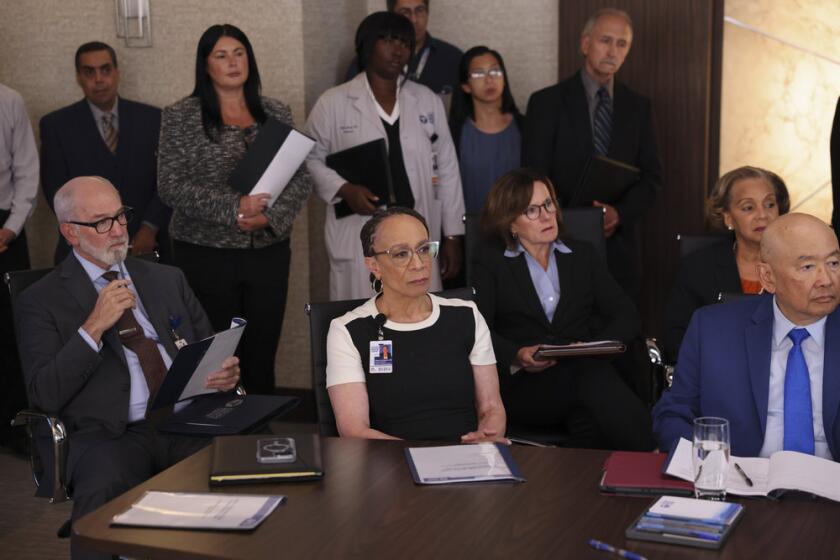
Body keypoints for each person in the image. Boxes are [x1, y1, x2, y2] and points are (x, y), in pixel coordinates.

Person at [17, 177, 241, 559]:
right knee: (103, 491)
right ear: (70, 232)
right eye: (102, 222)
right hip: (109, 433)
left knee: (249, 464)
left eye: (121, 216)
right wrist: (94, 326)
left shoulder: (166, 279)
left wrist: (224, 374)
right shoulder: (41, 300)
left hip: (184, 419)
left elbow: (208, 350)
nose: (120, 230)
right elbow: (45, 393)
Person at [158, 24, 312, 395]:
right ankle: (220, 437)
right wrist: (234, 208)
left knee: (261, 350)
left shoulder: (275, 112)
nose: (232, 62)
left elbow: (300, 178)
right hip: (207, 254)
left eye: (239, 53)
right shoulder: (182, 116)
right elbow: (169, 186)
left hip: (268, 252)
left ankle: (259, 432)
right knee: (217, 354)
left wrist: (269, 217)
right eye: (221, 55)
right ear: (205, 65)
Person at [472, 168, 653, 450]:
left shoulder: (582, 255)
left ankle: (582, 487)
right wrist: (517, 354)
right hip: (525, 387)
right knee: (590, 379)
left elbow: (627, 315)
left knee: (587, 423)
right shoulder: (491, 263)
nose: (546, 215)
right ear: (511, 224)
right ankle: (656, 451)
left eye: (548, 204)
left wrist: (594, 346)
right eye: (531, 210)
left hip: (582, 378)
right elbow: (477, 329)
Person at [654, 213, 840, 459]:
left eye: (834, 263)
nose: (826, 280)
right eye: (807, 267)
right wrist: (708, 464)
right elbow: (673, 413)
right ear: (768, 277)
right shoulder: (713, 328)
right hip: (742, 480)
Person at [307, 11, 464, 300]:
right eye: (388, 40)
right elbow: (309, 159)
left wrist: (453, 235)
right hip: (361, 232)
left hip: (417, 232)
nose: (398, 49)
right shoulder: (333, 103)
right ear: (367, 46)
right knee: (364, 326)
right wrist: (344, 189)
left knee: (418, 322)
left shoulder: (426, 99)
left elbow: (448, 170)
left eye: (405, 42)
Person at [327, 206, 506, 442]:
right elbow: (354, 430)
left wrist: (487, 436)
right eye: (401, 254)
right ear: (374, 266)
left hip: (465, 460)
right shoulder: (347, 330)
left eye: (423, 249)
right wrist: (424, 458)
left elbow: (492, 408)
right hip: (390, 466)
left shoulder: (466, 315)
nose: (418, 264)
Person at [522, 8, 661, 297]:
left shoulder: (638, 108)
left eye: (621, 44)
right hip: (558, 241)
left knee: (620, 333)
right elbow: (533, 177)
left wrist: (618, 214)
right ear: (585, 44)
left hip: (620, 250)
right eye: (605, 41)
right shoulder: (546, 103)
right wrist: (570, 219)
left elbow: (652, 179)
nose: (612, 51)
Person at [40, 41, 171, 264]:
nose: (99, 79)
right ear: (78, 77)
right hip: (85, 250)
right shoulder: (56, 125)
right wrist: (95, 234)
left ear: (117, 73)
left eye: (106, 69)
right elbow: (56, 191)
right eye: (89, 72)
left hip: (149, 245)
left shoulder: (153, 119)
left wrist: (150, 227)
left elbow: (168, 180)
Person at [664, 166, 791, 363]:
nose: (762, 215)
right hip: (718, 372)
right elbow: (676, 338)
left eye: (769, 204)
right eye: (748, 207)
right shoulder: (698, 267)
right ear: (728, 217)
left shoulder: (800, 264)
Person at [0, 83, 38, 451]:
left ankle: (13, 426)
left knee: (10, 332)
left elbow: (26, 171)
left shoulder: (9, 100)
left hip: (6, 227)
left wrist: (10, 228)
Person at [449, 46, 523, 214]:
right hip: (471, 228)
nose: (489, 79)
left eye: (495, 71)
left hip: (520, 227)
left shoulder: (525, 126)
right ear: (466, 86)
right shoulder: (455, 132)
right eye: (478, 74)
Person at [345, 0, 462, 100]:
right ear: (392, 16)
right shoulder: (370, 59)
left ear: (427, 12)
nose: (414, 20)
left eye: (420, 10)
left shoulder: (453, 57)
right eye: (405, 12)